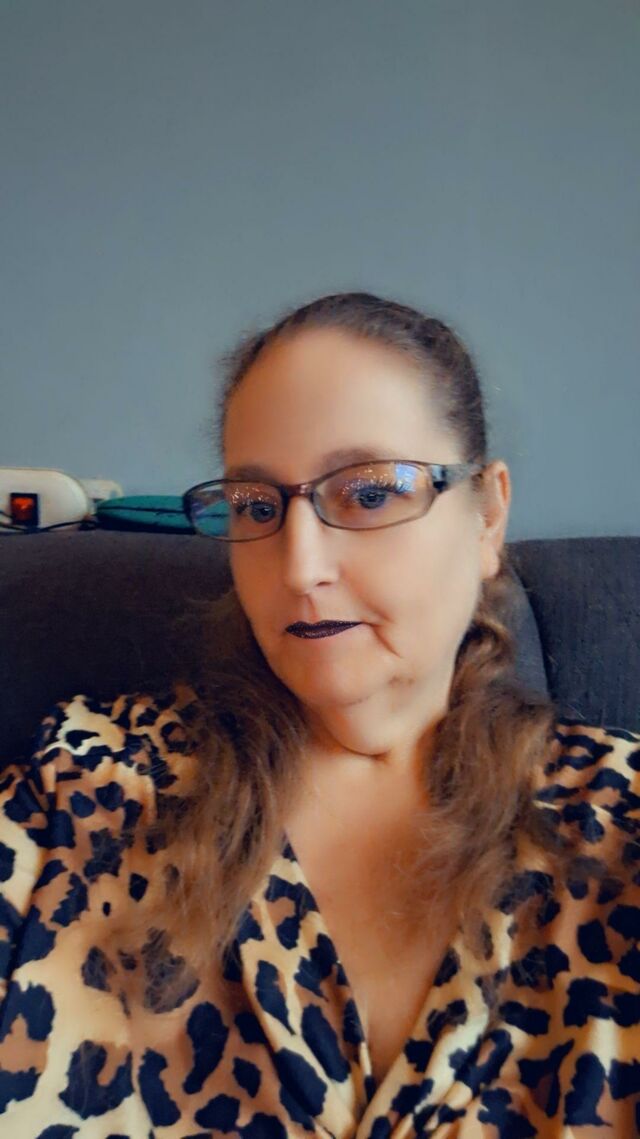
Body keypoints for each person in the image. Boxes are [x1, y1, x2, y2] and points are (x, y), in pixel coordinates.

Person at [0, 291, 638, 1138]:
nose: (299, 567)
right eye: (257, 507)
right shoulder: (87, 788)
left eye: (369, 493)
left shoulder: (618, 820)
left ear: (488, 516)